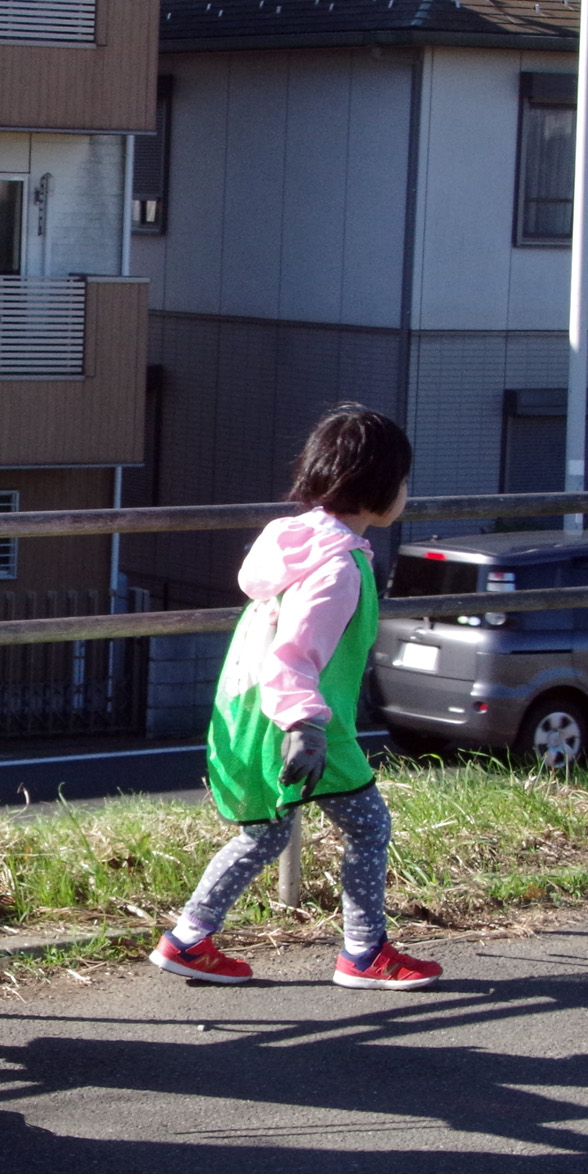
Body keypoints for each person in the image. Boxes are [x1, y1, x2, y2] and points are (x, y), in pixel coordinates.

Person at [149, 403, 444, 991]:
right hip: (303, 724)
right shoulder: (336, 569)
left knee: (265, 832)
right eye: (404, 480)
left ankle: (189, 939)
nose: (407, 492)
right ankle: (362, 953)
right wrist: (306, 726)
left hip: (256, 713)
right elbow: (296, 654)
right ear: (379, 486)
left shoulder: (300, 541)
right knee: (366, 826)